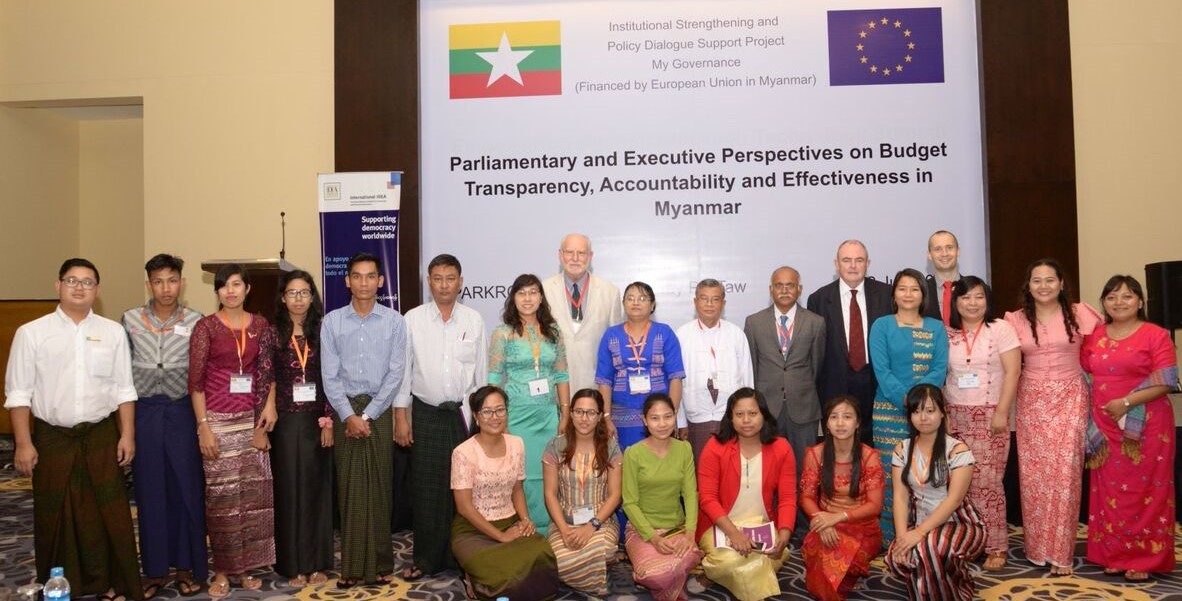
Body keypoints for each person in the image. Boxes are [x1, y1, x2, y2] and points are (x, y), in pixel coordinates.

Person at [4, 258, 143, 601]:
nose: (79, 287)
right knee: (56, 514)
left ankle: (113, 582)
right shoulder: (31, 333)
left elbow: (124, 390)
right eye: (72, 280)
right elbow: (18, 393)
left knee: (108, 514)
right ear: (58, 286)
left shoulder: (112, 332)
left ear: (97, 290)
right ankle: (62, 586)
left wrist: (127, 435)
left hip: (100, 435)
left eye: (87, 282)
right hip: (52, 437)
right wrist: (23, 443)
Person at [1003, 258, 1101, 576]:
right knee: (1034, 479)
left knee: (1065, 476)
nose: (1043, 286)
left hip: (1071, 397)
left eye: (1049, 279)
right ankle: (1036, 548)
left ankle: (1061, 551)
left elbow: (1103, 353)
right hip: (1031, 401)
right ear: (1027, 286)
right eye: (1036, 280)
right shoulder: (1014, 320)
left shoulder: (1081, 314)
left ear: (1061, 283)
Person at [394, 253, 488, 580]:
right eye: (438, 278)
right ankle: (425, 558)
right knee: (427, 488)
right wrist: (401, 417)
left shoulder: (473, 320)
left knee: (464, 489)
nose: (444, 284)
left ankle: (462, 557)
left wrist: (483, 419)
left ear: (461, 282)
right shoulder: (412, 319)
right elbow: (403, 372)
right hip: (426, 413)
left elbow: (481, 373)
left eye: (451, 278)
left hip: (462, 415)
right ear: (429, 282)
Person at [188, 263, 278, 597]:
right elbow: (195, 384)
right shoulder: (206, 328)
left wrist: (268, 409)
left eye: (237, 284)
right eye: (224, 285)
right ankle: (224, 570)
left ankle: (246, 568)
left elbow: (267, 372)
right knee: (223, 500)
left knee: (252, 498)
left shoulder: (261, 326)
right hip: (218, 422)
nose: (230, 291)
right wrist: (203, 428)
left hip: (251, 421)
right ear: (217, 291)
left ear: (247, 289)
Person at [120, 253, 206, 597]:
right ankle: (155, 569)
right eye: (158, 281)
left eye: (172, 280)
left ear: (182, 283)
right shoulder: (128, 320)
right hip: (144, 413)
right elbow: (120, 371)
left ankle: (185, 567)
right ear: (148, 284)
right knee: (149, 489)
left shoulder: (198, 321)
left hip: (181, 411)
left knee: (185, 488)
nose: (165, 288)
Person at [1081, 275, 1177, 581]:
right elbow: (1084, 370)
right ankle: (1115, 555)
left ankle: (1145, 559)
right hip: (1104, 426)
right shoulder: (1094, 335)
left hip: (1147, 427)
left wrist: (1126, 402)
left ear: (1140, 301)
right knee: (1110, 493)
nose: (1119, 302)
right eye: (1112, 297)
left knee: (1146, 491)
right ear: (1104, 303)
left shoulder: (1156, 335)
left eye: (1127, 296)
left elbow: (1167, 380)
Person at [320, 252, 407, 587]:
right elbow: (330, 377)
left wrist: (368, 415)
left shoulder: (394, 322)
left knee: (380, 488)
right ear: (347, 281)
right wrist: (348, 415)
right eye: (357, 276)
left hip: (379, 413)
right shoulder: (332, 322)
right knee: (350, 488)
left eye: (371, 276)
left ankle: (381, 564)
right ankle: (353, 567)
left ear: (380, 281)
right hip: (345, 414)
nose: (364, 283)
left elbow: (396, 373)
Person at [451, 385, 559, 601]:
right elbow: (464, 507)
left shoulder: (516, 444)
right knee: (505, 576)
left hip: (510, 521)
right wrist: (500, 536)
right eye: (487, 411)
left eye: (500, 410)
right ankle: (474, 582)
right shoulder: (463, 452)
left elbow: (517, 490)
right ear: (476, 415)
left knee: (543, 555)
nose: (495, 417)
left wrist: (525, 519)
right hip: (473, 529)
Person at [943, 276, 1019, 571]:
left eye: (978, 297)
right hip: (956, 416)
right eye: (965, 298)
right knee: (960, 485)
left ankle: (996, 546)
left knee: (989, 485)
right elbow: (941, 377)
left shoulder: (1000, 329)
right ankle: (970, 542)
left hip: (991, 417)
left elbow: (1013, 373)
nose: (971, 303)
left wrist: (1002, 411)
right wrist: (946, 415)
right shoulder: (948, 334)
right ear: (955, 302)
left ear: (987, 300)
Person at [744, 265, 826, 540]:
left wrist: (797, 389)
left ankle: (802, 529)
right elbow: (752, 368)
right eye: (778, 285)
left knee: (804, 471)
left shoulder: (815, 322)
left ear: (799, 289)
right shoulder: (754, 322)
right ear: (770, 290)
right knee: (768, 471)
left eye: (790, 285)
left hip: (803, 408)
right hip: (767, 411)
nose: (784, 290)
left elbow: (816, 366)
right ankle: (772, 525)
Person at [869, 267, 949, 542]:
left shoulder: (936, 327)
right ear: (894, 294)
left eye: (914, 289)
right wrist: (907, 401)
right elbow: (882, 370)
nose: (908, 294)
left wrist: (921, 405)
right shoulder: (882, 325)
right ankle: (892, 537)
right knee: (891, 475)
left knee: (924, 472)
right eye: (902, 288)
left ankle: (925, 534)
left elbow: (939, 368)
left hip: (927, 413)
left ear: (922, 295)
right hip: (889, 412)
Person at [885, 384, 985, 601]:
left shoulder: (958, 450)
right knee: (899, 557)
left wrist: (918, 534)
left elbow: (954, 500)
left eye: (930, 410)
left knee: (928, 549)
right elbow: (900, 499)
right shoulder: (902, 449)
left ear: (942, 413)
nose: (923, 417)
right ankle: (957, 583)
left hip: (960, 524)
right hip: (920, 524)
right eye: (917, 410)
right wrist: (903, 538)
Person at [695, 388, 796, 601]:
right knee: (730, 561)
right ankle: (732, 572)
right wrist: (734, 533)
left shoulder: (781, 447)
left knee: (775, 551)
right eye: (739, 414)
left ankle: (715, 576)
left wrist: (785, 537)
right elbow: (707, 498)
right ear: (730, 419)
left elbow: (787, 498)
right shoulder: (715, 447)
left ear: (764, 415)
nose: (746, 420)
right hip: (721, 526)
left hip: (762, 526)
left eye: (753, 413)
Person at [489, 273, 571, 536]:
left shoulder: (553, 332)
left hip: (548, 414)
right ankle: (524, 527)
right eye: (522, 293)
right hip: (516, 416)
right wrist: (498, 419)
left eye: (533, 292)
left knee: (547, 472)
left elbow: (561, 374)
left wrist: (565, 412)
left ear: (541, 297)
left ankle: (550, 531)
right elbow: (493, 378)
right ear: (513, 298)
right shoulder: (503, 334)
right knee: (520, 474)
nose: (528, 298)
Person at [269, 270, 334, 588]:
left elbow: (332, 379)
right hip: (284, 421)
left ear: (313, 296)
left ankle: (318, 563)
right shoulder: (273, 333)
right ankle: (293, 564)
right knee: (288, 490)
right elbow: (265, 377)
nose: (298, 299)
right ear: (283, 298)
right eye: (292, 293)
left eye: (304, 292)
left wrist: (329, 419)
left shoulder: (323, 332)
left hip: (317, 421)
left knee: (317, 492)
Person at [806, 240, 893, 447]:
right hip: (834, 387)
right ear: (836, 263)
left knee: (876, 447)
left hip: (877, 384)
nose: (853, 266)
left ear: (868, 263)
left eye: (859, 260)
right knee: (838, 452)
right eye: (847, 260)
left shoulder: (887, 295)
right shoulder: (818, 299)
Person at [799, 395, 884, 601]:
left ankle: (836, 581)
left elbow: (875, 506)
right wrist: (823, 521)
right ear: (826, 424)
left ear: (857, 424)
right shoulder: (815, 454)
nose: (840, 423)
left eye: (847, 417)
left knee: (836, 560)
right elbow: (806, 498)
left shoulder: (869, 456)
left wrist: (837, 518)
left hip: (863, 528)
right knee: (823, 555)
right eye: (834, 417)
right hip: (825, 525)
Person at [542, 388, 622, 596]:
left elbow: (615, 495)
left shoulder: (610, 447)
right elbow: (550, 494)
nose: (584, 418)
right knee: (558, 560)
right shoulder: (555, 445)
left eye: (591, 413)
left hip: (600, 521)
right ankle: (596, 578)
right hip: (565, 521)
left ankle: (592, 571)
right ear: (571, 414)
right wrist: (564, 530)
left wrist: (591, 527)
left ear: (599, 417)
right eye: (578, 411)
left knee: (602, 549)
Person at [622, 393, 702, 601]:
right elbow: (629, 503)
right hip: (643, 530)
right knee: (652, 575)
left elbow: (691, 494)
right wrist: (653, 538)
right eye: (655, 418)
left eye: (668, 417)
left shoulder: (684, 449)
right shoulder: (633, 453)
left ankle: (668, 580)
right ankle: (670, 585)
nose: (662, 424)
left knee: (691, 554)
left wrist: (690, 533)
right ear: (644, 421)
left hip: (677, 528)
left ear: (675, 416)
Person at [597, 281, 686, 450]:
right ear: (623, 304)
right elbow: (604, 381)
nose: (636, 302)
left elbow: (675, 377)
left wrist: (670, 417)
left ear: (652, 305)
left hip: (659, 419)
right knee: (625, 467)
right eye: (630, 298)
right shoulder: (611, 335)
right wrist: (606, 418)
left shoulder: (665, 332)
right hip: (621, 419)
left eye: (642, 298)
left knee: (657, 468)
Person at [676, 278, 753, 460]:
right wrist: (680, 421)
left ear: (723, 303)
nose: (709, 304)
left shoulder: (736, 334)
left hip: (730, 417)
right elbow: (676, 382)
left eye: (715, 299)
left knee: (731, 472)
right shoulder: (681, 335)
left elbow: (747, 379)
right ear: (695, 302)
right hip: (696, 418)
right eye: (704, 298)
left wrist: (746, 417)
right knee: (700, 473)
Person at [542, 233, 623, 391]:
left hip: (595, 387)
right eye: (569, 252)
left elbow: (615, 346)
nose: (575, 258)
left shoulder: (610, 292)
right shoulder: (543, 290)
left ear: (590, 256)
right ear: (560, 255)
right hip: (553, 387)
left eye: (581, 253)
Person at [924, 230, 962, 325]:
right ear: (929, 255)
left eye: (949, 247)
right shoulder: (921, 291)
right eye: (938, 249)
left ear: (958, 251)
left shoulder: (973, 288)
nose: (944, 253)